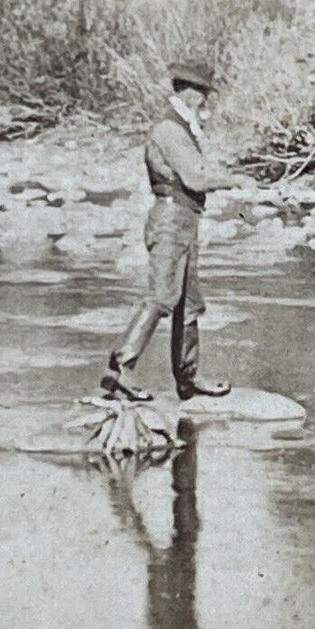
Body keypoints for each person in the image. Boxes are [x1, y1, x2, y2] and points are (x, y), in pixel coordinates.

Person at [102, 62, 238, 404]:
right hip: (171, 219)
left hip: (184, 219)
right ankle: (119, 372)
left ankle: (188, 380)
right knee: (163, 297)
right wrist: (234, 179)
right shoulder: (170, 130)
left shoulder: (180, 127)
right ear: (191, 92)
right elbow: (195, 178)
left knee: (189, 303)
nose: (206, 102)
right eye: (204, 95)